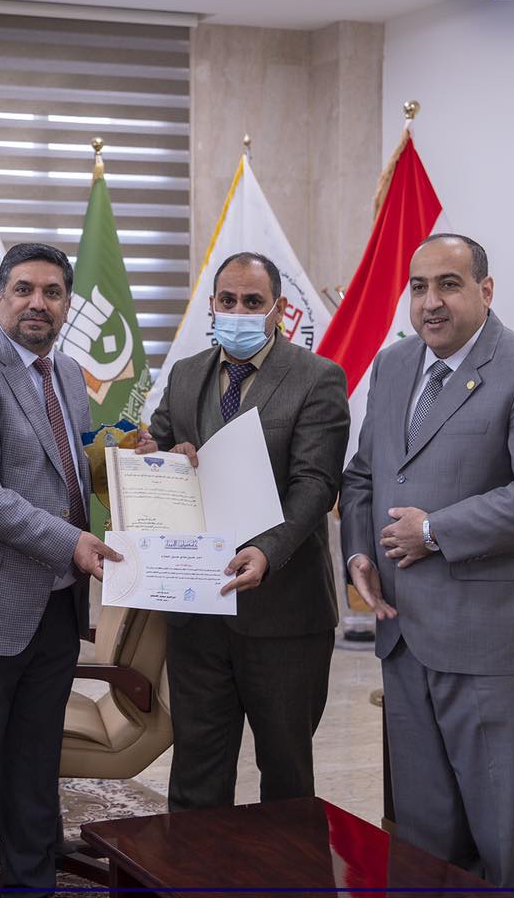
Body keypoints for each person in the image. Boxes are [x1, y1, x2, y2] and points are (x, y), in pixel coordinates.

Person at [339, 233, 514, 888]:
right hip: (405, 642)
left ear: (485, 290)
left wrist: (435, 530)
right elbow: (363, 473)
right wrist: (359, 552)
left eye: (448, 284)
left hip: (497, 646)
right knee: (426, 846)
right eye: (418, 286)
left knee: (511, 848)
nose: (431, 302)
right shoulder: (394, 365)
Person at [0, 242, 121, 897]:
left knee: (37, 766)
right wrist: (69, 543)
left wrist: (136, 461)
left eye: (52, 292)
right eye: (24, 289)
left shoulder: (66, 371)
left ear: (66, 304)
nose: (38, 302)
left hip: (58, 604)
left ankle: (33, 885)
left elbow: (65, 470)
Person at [136, 250, 349, 812]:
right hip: (199, 611)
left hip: (284, 613)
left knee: (285, 773)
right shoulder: (186, 374)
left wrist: (267, 551)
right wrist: (160, 457)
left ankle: (287, 865)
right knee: (196, 773)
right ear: (211, 305)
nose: (238, 312)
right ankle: (193, 865)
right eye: (227, 301)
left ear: (278, 309)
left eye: (253, 302)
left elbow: (316, 484)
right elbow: (158, 450)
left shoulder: (318, 378)